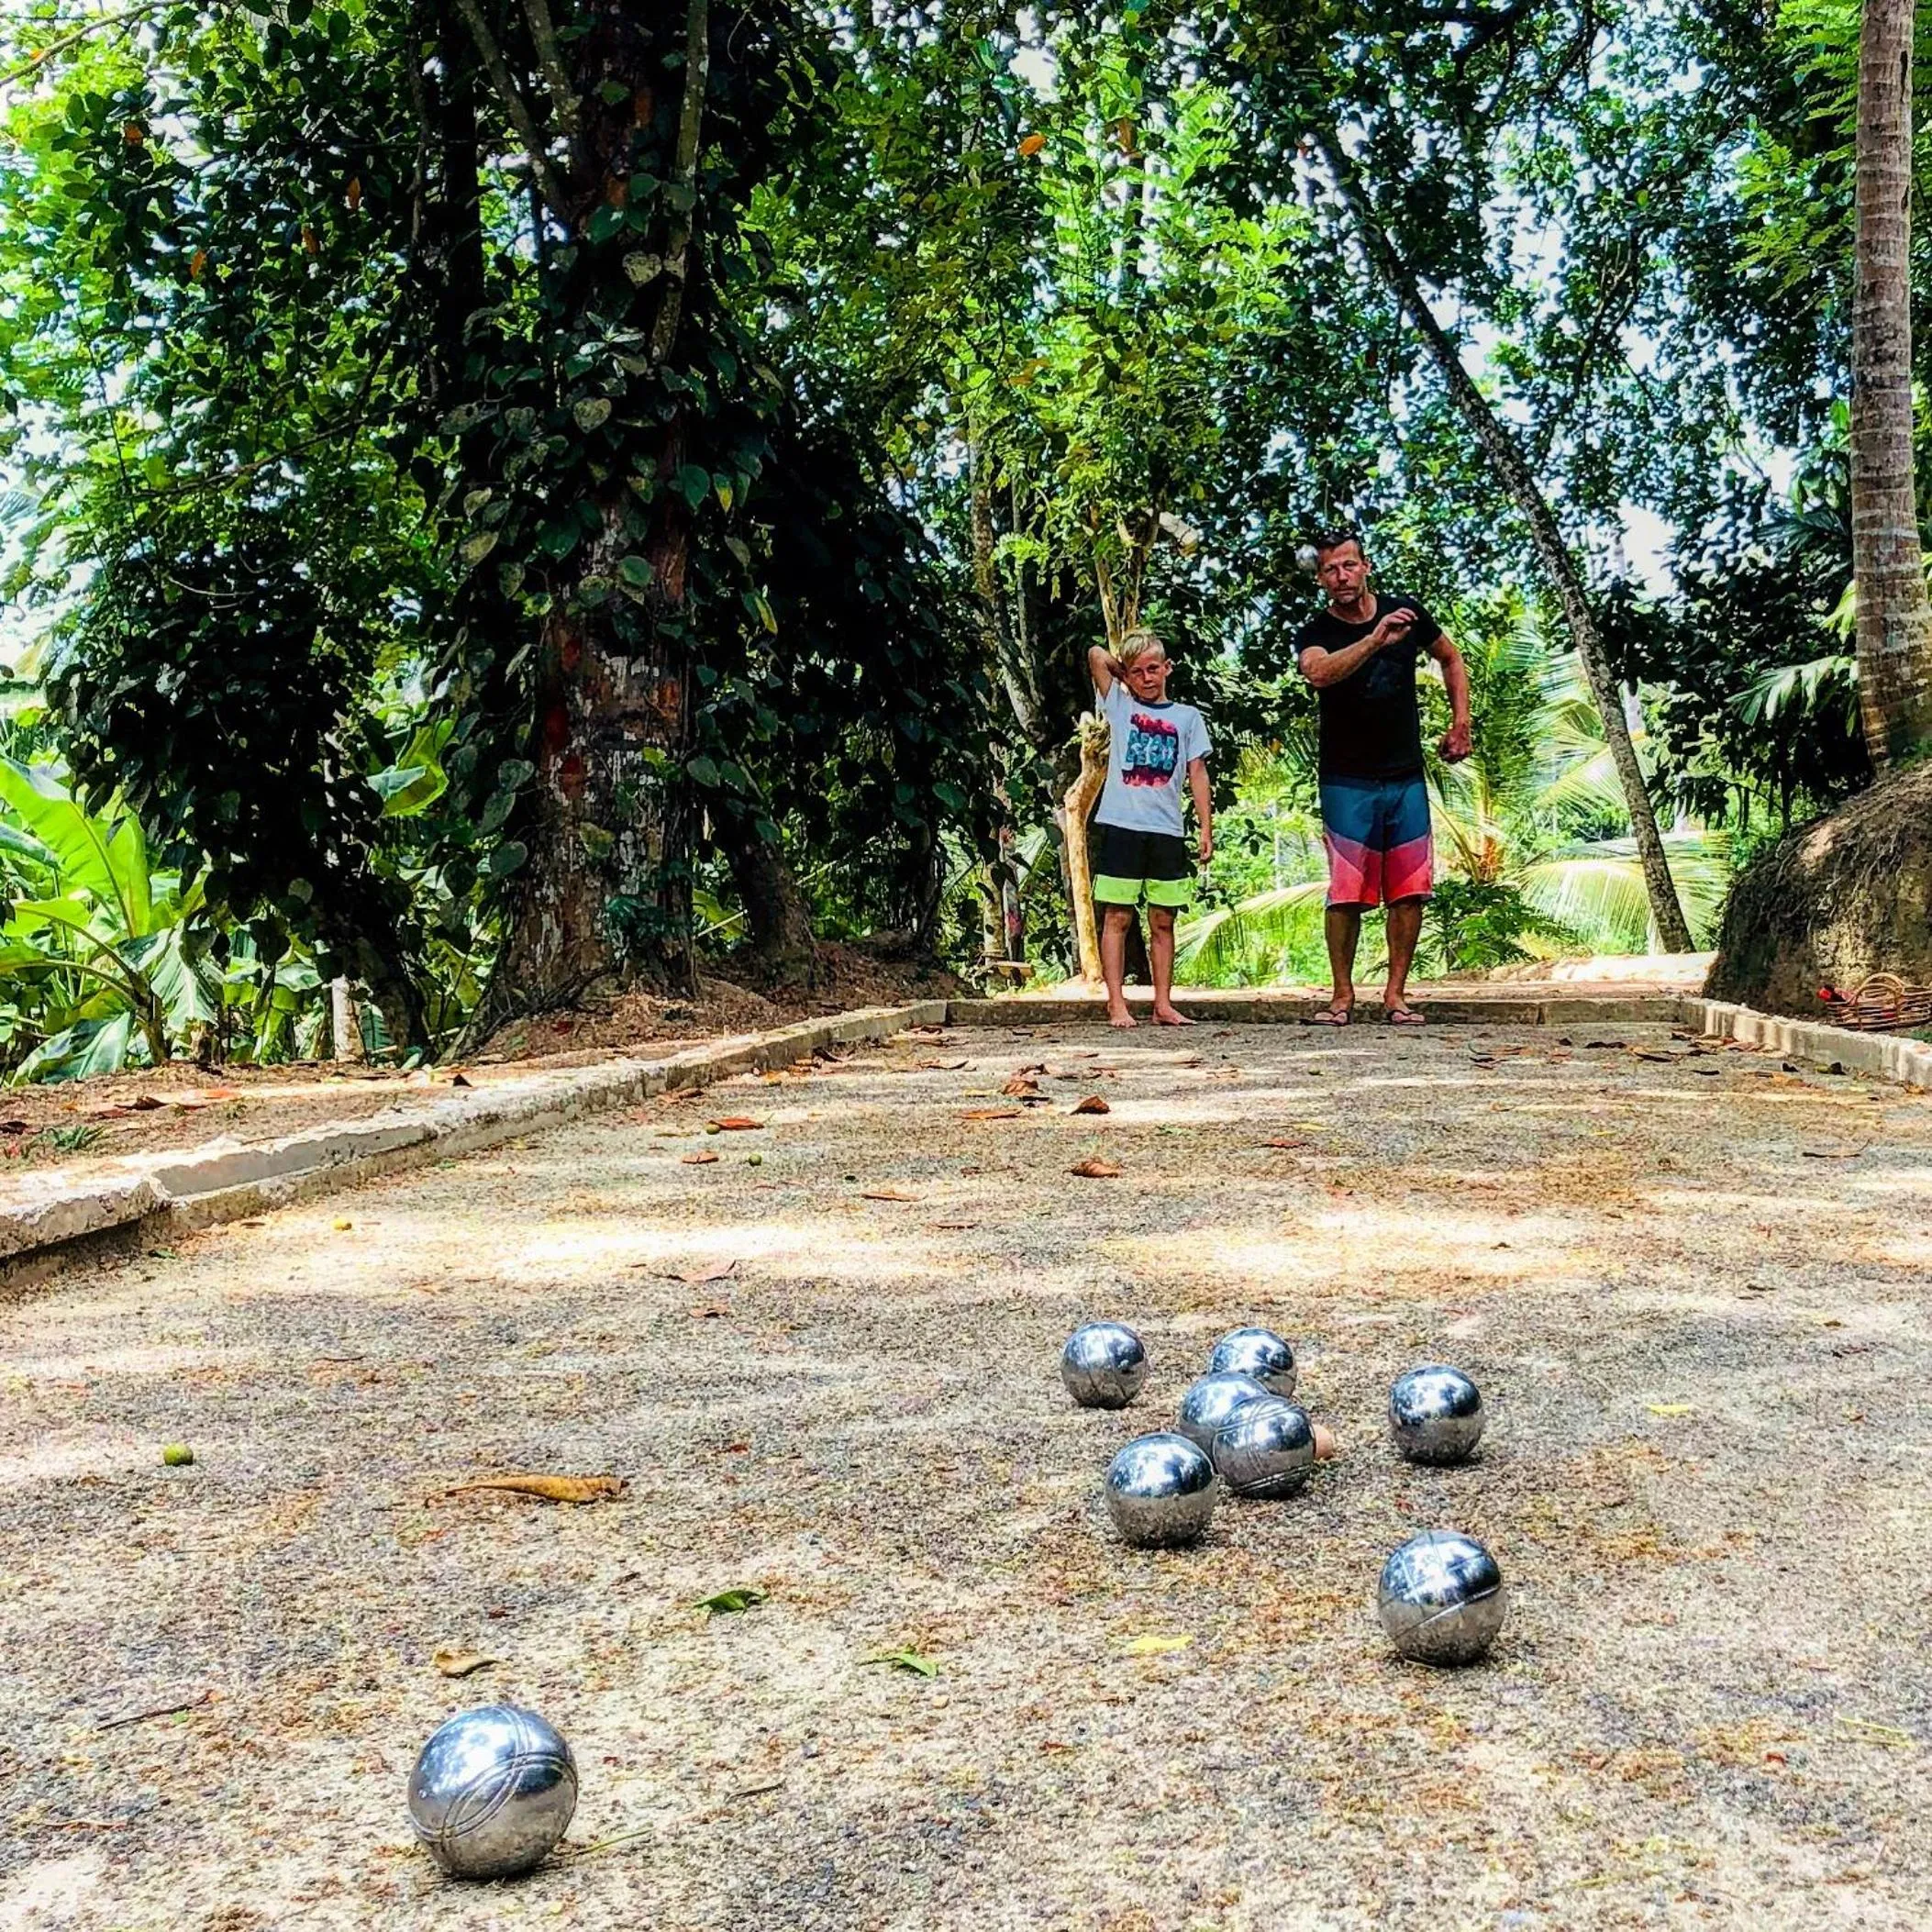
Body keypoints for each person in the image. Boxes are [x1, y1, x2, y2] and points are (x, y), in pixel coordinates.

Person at [1293, 528, 1471, 1026]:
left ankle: (1395, 995)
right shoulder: (1316, 632)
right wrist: (1374, 640)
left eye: (1348, 565)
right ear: (1322, 578)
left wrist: (1461, 723)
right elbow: (1319, 673)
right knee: (1346, 891)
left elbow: (1451, 657)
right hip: (1345, 777)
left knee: (1410, 888)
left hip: (1405, 773)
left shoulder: (1407, 612)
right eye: (1330, 569)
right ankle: (1342, 996)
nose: (1341, 576)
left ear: (1365, 566)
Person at [1085, 628, 1213, 1029]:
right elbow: (1094, 654)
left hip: (1167, 830)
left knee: (1163, 919)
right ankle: (1116, 1003)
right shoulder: (1120, 707)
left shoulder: (1187, 718)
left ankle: (1163, 1003)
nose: (1147, 677)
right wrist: (1124, 675)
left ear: (1168, 668)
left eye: (1153, 668)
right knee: (1117, 916)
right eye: (1138, 671)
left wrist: (1205, 827)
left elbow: (1197, 773)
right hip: (1122, 825)